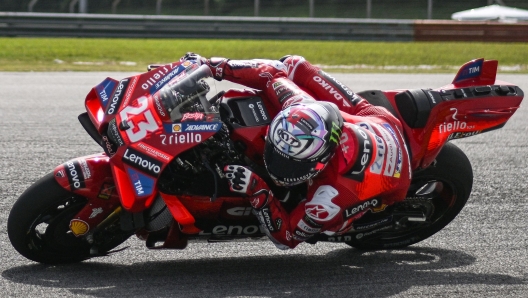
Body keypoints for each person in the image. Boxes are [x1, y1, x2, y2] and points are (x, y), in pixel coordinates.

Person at [180, 53, 412, 249]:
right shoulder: (298, 104)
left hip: (393, 174)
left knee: (331, 227)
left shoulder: (329, 196)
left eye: (292, 162)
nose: (279, 166)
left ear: (320, 162)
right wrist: (211, 66)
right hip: (372, 121)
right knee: (294, 64)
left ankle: (352, 221)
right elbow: (271, 72)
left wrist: (257, 189)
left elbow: (287, 239)